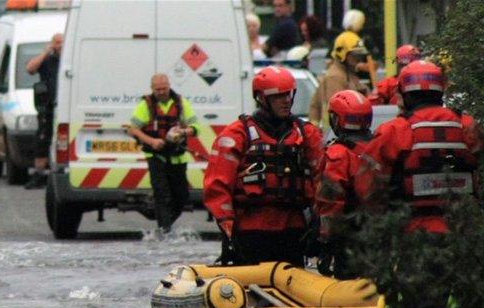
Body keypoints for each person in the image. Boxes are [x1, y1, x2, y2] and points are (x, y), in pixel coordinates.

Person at [356, 61, 481, 308]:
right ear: (441, 90)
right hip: (465, 238)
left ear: (404, 93)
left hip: (417, 236)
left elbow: (368, 187)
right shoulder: (467, 126)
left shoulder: (395, 132)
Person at [204, 66, 323, 265]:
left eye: (288, 94)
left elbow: (324, 181)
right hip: (250, 231)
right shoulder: (237, 135)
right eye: (278, 96)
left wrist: (320, 226)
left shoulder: (306, 134)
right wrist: (227, 228)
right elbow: (217, 186)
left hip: (293, 230)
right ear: (261, 98)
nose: (286, 100)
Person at [127, 73, 200, 234]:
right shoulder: (146, 105)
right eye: (157, 89)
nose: (161, 92)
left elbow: (196, 127)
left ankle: (161, 219)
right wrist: (152, 141)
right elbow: (133, 129)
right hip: (156, 156)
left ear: (169, 85)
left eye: (164, 88)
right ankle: (164, 230)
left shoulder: (181, 103)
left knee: (182, 195)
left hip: (178, 157)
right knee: (162, 194)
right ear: (152, 89)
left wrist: (183, 132)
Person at [314, 90, 372, 279]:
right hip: (378, 234)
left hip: (348, 239)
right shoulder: (379, 146)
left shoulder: (338, 154)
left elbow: (330, 203)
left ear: (338, 120)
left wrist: (325, 242)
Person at [24, 33, 63, 189]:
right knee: (42, 139)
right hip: (47, 106)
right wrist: (46, 52)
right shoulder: (47, 60)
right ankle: (39, 174)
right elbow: (30, 69)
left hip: (64, 107)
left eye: (62, 42)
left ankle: (59, 172)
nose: (60, 46)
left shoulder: (70, 60)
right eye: (57, 43)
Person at [309, 31, 369, 131]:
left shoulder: (348, 73)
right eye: (354, 54)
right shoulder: (335, 77)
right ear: (342, 53)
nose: (358, 58)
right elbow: (339, 111)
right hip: (338, 135)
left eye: (359, 54)